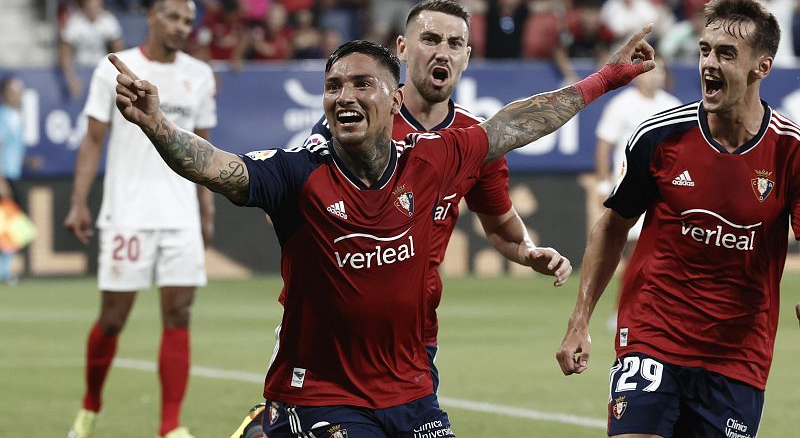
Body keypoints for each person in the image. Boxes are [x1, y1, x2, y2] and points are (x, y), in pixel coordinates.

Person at [108, 25, 653, 437]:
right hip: (323, 392)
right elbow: (216, 166)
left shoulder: (433, 159)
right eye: (333, 86)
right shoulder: (298, 174)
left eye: (361, 84)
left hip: (412, 388)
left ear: (394, 100)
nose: (343, 95)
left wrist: (605, 78)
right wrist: (157, 125)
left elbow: (518, 123)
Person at [556, 0, 800, 437]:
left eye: (727, 54)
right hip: (653, 336)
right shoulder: (660, 136)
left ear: (762, 67)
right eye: (705, 50)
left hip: (738, 356)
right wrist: (580, 319)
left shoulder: (790, 151)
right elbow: (613, 226)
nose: (709, 63)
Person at [64, 0, 216, 438]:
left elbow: (203, 149)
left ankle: (170, 426)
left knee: (180, 315)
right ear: (151, 16)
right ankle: (90, 407)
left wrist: (205, 208)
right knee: (113, 319)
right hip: (127, 212)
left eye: (187, 20)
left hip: (180, 215)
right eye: (172, 16)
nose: (181, 27)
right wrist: (78, 201)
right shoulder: (114, 68)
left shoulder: (200, 75)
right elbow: (93, 140)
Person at [592, 57, 681, 331]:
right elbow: (604, 145)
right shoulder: (621, 105)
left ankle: (660, 311)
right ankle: (622, 311)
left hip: (665, 190)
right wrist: (603, 184)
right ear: (639, 75)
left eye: (660, 71)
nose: (656, 76)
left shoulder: (673, 106)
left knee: (664, 255)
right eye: (651, 71)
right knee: (632, 254)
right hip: (630, 187)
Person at [59, 0, 124, 99]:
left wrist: (117, 74)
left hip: (101, 69)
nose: (94, 7)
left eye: (97, 4)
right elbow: (64, 52)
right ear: (84, 5)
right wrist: (71, 78)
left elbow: (119, 50)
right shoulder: (75, 22)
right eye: (91, 3)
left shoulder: (108, 20)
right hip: (80, 69)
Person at [0, 75, 27, 283]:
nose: (17, 96)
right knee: (10, 225)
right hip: (5, 177)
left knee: (11, 226)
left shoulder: (15, 116)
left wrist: (27, 162)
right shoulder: (3, 116)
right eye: (13, 93)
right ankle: (4, 271)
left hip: (13, 175)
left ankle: (5, 269)